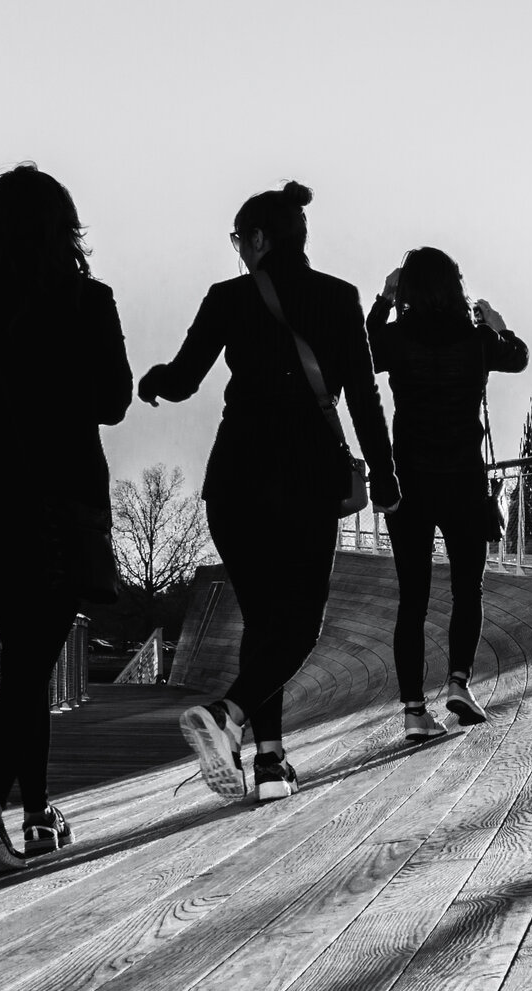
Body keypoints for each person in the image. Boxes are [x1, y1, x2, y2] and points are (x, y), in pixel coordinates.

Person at [137, 182, 398, 803]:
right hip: (306, 475)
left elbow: (183, 380)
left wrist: (152, 381)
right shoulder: (339, 298)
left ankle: (271, 758)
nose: (238, 251)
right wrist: (385, 475)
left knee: (264, 618)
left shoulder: (227, 298)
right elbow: (363, 395)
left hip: (236, 476)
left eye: (238, 239)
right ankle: (231, 718)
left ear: (258, 238)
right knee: (299, 623)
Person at [0, 165, 133, 873]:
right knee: (29, 660)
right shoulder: (89, 301)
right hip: (64, 497)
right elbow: (114, 400)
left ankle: (37, 812)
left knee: (26, 654)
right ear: (66, 230)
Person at [366, 246, 527, 739]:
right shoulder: (477, 338)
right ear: (456, 286)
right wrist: (497, 323)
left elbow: (363, 351)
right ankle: (459, 683)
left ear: (408, 289)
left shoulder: (395, 336)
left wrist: (383, 299)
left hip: (408, 483)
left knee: (411, 600)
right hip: (462, 479)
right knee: (466, 590)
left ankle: (415, 712)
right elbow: (518, 357)